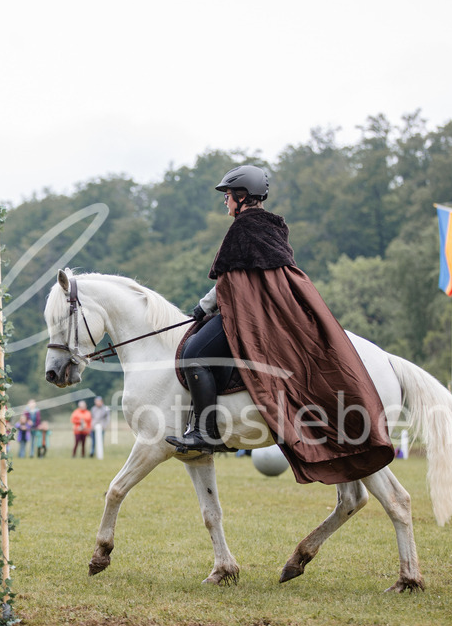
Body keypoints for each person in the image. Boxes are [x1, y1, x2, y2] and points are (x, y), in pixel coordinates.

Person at [165, 165, 394, 485]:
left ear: (242, 197)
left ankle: (205, 431)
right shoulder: (273, 228)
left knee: (193, 353)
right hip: (268, 317)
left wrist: (202, 308)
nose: (226, 202)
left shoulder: (243, 229)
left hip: (247, 317)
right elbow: (247, 280)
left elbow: (227, 281)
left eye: (227, 196)